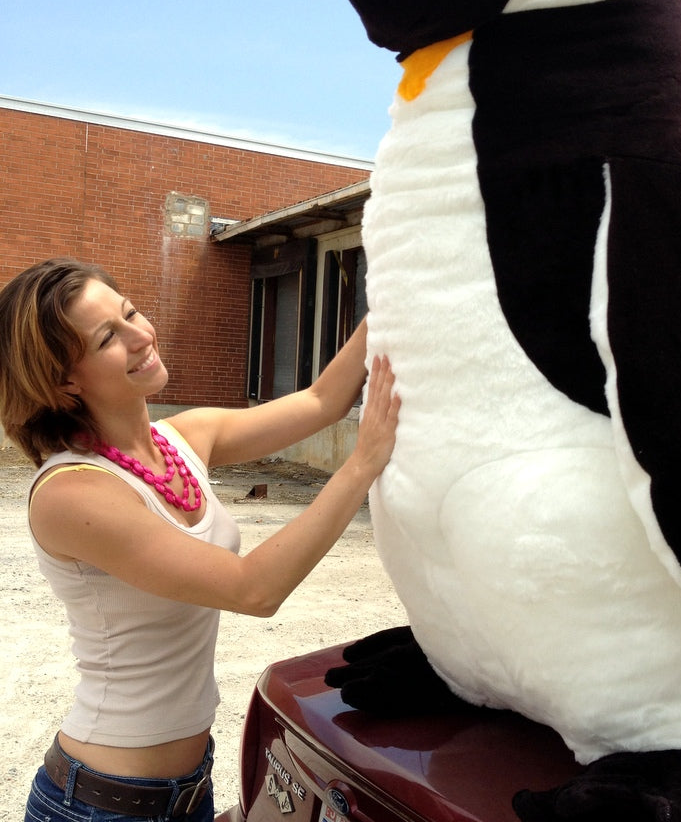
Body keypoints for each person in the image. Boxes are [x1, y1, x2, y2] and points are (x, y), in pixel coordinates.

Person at [0, 257, 400, 822]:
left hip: (187, 789)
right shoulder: (72, 492)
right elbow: (252, 591)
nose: (143, 335)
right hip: (100, 804)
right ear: (65, 378)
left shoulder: (184, 437)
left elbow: (319, 402)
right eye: (109, 337)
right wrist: (360, 466)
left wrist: (393, 296)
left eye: (131, 312)